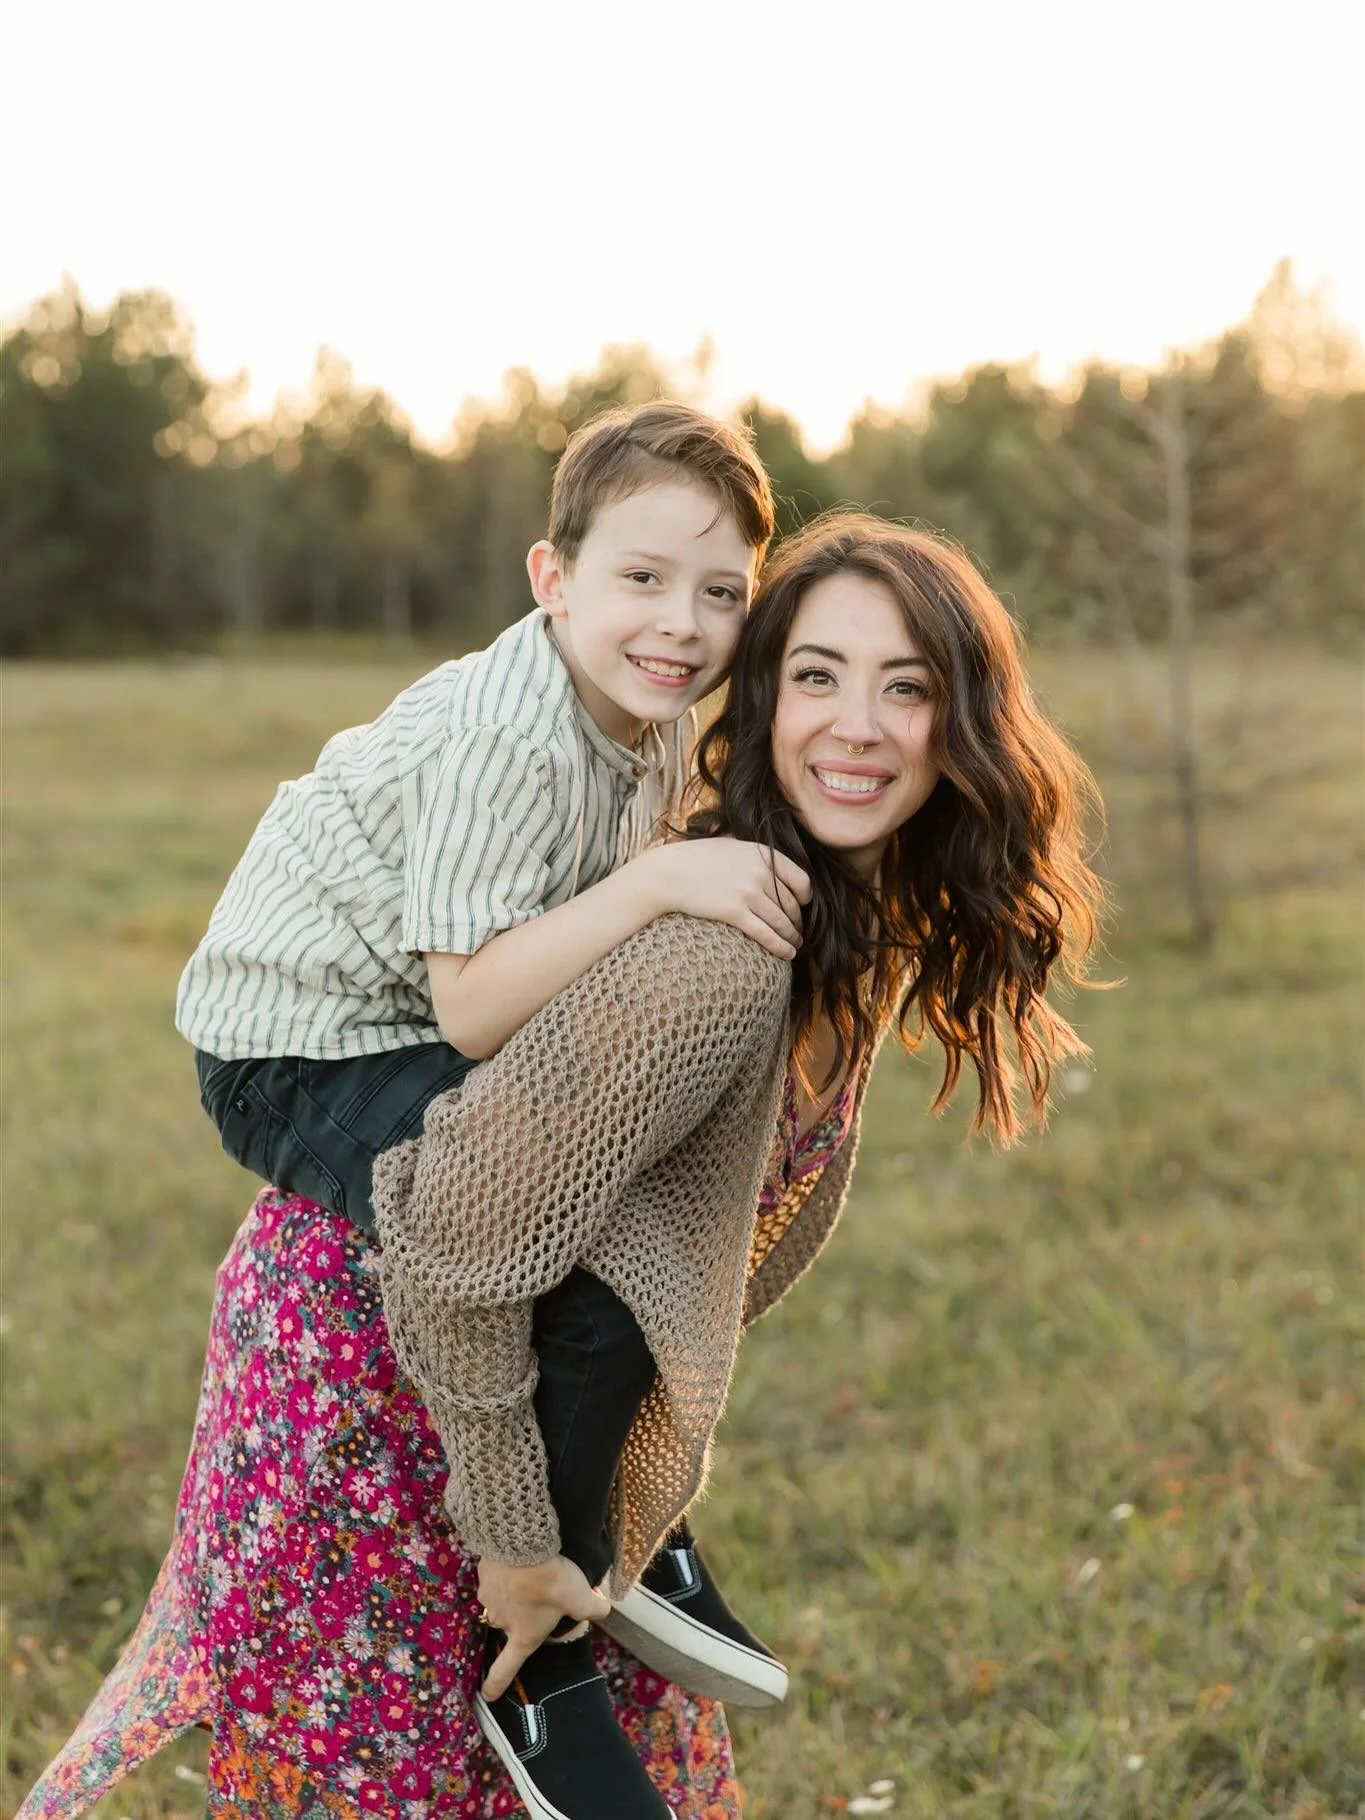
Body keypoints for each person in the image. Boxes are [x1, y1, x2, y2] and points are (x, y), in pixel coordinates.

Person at [20, 513, 1105, 1820]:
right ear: (761, 700)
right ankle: (541, 1658)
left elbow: (670, 1240)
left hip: (523, 1399)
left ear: (966, 715)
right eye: (817, 675)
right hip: (384, 1373)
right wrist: (524, 1553)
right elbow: (459, 1237)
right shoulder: (723, 951)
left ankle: (607, 1585)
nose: (858, 723)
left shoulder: (840, 922)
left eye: (907, 684)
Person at [174, 399, 812, 1721]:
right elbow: (469, 1011)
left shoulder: (640, 711)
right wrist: (665, 885)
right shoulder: (504, 735)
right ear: (553, 577)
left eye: (719, 594)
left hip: (409, 1019)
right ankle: (536, 1607)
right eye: (641, 579)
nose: (680, 625)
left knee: (638, 1196)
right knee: (557, 1237)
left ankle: (628, 1520)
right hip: (306, 1050)